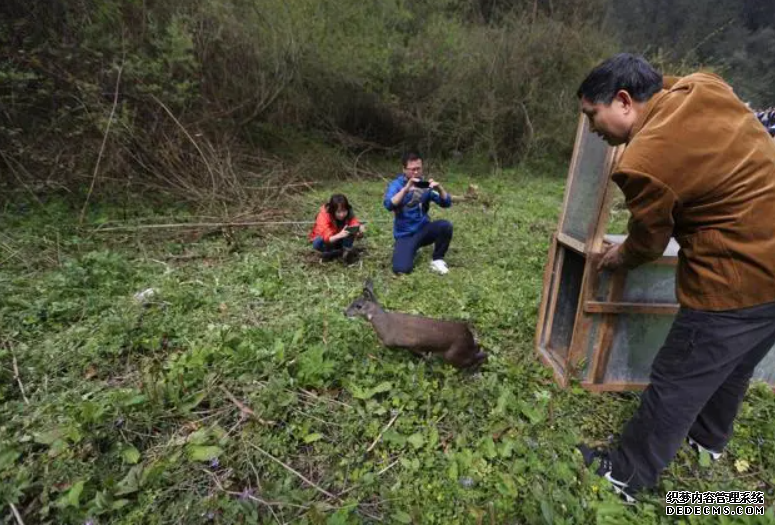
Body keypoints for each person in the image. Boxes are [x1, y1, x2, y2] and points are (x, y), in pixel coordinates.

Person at [575, 53, 775, 502]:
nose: (592, 129)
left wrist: (616, 258)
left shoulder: (643, 159)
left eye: (592, 115)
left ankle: (625, 478)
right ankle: (707, 443)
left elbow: (646, 243)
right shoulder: (704, 86)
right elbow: (670, 82)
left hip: (735, 282)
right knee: (734, 368)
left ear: (624, 101)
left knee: (676, 382)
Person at [383, 152, 453, 275]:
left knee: (445, 226)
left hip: (423, 229)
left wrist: (440, 189)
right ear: (404, 169)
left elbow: (446, 203)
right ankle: (410, 249)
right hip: (405, 234)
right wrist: (406, 190)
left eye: (418, 169)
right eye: (412, 169)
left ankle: (437, 260)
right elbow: (389, 204)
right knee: (401, 269)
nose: (416, 172)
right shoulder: (396, 185)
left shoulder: (424, 185)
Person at [308, 194, 363, 263]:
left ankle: (344, 252)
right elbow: (326, 237)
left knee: (351, 230)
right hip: (328, 241)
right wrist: (339, 235)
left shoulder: (349, 214)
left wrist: (359, 231)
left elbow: (355, 224)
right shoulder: (324, 215)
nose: (342, 215)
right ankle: (338, 253)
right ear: (332, 211)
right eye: (338, 212)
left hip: (340, 240)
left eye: (344, 211)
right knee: (317, 242)